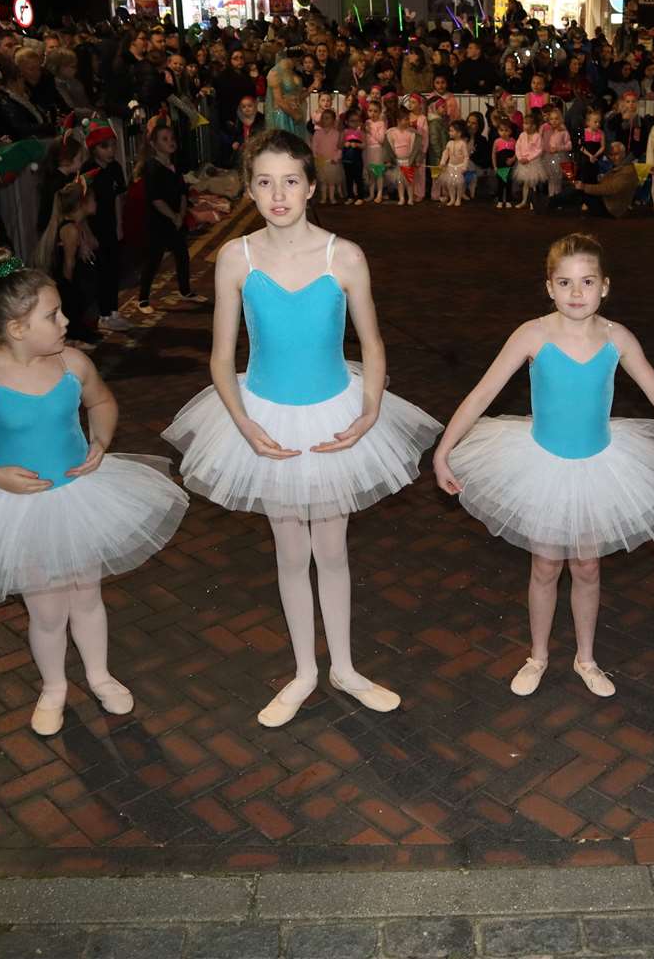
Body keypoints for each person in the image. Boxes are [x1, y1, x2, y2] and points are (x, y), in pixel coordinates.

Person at [162, 130, 442, 725]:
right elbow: (220, 357)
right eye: (264, 182)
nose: (278, 194)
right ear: (250, 189)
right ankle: (304, 671)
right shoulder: (236, 258)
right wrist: (242, 423)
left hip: (331, 412)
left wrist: (368, 410)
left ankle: (342, 665)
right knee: (291, 551)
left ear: (311, 187)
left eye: (290, 181)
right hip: (264, 415)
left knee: (332, 549)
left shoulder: (345, 255)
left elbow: (371, 341)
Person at [0, 249, 189, 736]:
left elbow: (102, 400)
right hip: (19, 506)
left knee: (87, 596)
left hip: (79, 495)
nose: (66, 320)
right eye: (53, 315)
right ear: (17, 328)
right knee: (47, 609)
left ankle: (99, 674)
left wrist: (101, 440)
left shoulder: (70, 362)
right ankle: (54, 687)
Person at [431, 234, 654, 697]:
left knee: (587, 567)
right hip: (543, 465)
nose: (576, 293)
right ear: (549, 287)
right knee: (544, 565)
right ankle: (537, 655)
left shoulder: (617, 338)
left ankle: (586, 657)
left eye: (586, 282)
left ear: (605, 286)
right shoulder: (533, 334)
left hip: (599, 464)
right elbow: (483, 393)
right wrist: (444, 449)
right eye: (565, 282)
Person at [133, 116, 207, 314]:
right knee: (153, 260)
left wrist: (181, 214)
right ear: (154, 144)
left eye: (171, 138)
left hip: (176, 219)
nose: (170, 142)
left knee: (182, 255)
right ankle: (143, 298)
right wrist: (173, 216)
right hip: (159, 221)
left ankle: (185, 290)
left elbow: (182, 191)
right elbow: (155, 198)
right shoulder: (152, 168)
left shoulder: (175, 165)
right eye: (164, 139)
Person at [35, 179, 100, 350]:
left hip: (75, 276)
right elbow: (68, 264)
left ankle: (80, 329)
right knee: (76, 300)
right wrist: (69, 290)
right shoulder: (69, 229)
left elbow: (95, 244)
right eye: (93, 200)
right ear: (82, 204)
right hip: (66, 279)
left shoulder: (78, 225)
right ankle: (73, 335)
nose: (96, 203)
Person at [79, 119, 130, 332]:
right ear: (93, 149)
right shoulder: (87, 170)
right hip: (94, 228)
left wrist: (119, 224)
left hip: (110, 226)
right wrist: (87, 234)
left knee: (113, 268)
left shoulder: (115, 168)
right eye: (104, 147)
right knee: (99, 273)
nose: (110, 151)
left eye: (113, 146)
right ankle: (103, 314)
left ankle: (113, 311)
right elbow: (79, 207)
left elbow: (118, 197)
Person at [547, 141, 641, 218]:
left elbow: (610, 189)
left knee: (580, 192)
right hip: (608, 203)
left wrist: (584, 187)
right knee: (579, 189)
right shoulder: (622, 167)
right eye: (611, 155)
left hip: (610, 208)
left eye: (616, 154)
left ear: (624, 153)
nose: (613, 158)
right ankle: (555, 201)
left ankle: (553, 202)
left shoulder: (627, 171)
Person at [265, 49, 305, 137]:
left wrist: (312, 87)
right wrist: (295, 115)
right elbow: (279, 100)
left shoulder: (293, 72)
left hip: (295, 112)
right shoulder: (275, 72)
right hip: (283, 115)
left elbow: (298, 97)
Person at [311, 106, 344, 205]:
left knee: (332, 182)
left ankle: (332, 197)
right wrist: (315, 156)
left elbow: (340, 148)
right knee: (323, 181)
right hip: (321, 161)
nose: (325, 120)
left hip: (332, 161)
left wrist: (336, 158)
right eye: (323, 118)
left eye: (327, 118)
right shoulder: (317, 133)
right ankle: (324, 197)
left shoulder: (337, 134)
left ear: (333, 120)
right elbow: (314, 145)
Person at [436, 120, 470, 207]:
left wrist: (464, 166)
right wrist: (442, 162)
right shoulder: (449, 143)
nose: (449, 132)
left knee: (459, 184)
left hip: (459, 167)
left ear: (459, 133)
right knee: (450, 183)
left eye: (452, 131)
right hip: (450, 167)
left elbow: (466, 156)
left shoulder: (463, 144)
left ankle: (458, 198)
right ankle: (452, 198)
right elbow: (445, 153)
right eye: (449, 130)